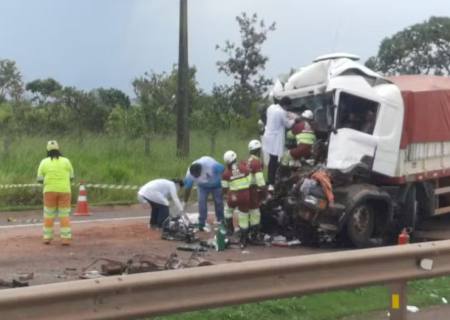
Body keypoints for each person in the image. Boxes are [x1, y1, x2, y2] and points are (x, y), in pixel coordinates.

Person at [37, 140, 74, 245]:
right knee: (64, 215)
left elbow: (39, 179)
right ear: (58, 149)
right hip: (65, 191)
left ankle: (47, 238)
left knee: (49, 215)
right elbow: (71, 177)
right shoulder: (66, 161)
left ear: (47, 150)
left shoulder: (44, 162)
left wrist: (46, 182)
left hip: (49, 191)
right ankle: (65, 239)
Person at [184, 156, 225, 231]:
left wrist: (225, 186)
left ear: (202, 169)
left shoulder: (212, 165)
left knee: (218, 201)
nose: (197, 176)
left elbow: (224, 170)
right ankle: (202, 222)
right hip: (202, 187)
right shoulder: (189, 174)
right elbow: (187, 188)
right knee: (201, 202)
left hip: (216, 185)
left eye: (198, 175)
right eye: (195, 176)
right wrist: (185, 201)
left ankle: (220, 219)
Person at [262, 97, 295, 186]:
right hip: (275, 139)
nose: (287, 109)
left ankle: (271, 180)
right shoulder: (281, 112)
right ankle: (271, 182)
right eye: (287, 107)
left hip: (268, 136)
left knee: (272, 160)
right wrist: (294, 119)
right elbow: (288, 125)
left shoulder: (271, 107)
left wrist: (287, 114)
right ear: (285, 105)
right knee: (273, 160)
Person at [222, 150, 251, 248]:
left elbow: (225, 189)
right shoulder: (245, 169)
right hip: (245, 195)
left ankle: (230, 231)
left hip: (234, 196)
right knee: (243, 216)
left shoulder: (226, 174)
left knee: (227, 210)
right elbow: (250, 182)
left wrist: (228, 195)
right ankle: (243, 240)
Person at [247, 140, 266, 243]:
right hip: (252, 188)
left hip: (245, 188)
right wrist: (265, 191)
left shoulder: (249, 160)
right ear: (258, 151)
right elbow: (260, 180)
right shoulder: (256, 162)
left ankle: (246, 232)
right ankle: (254, 236)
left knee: (247, 211)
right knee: (255, 212)